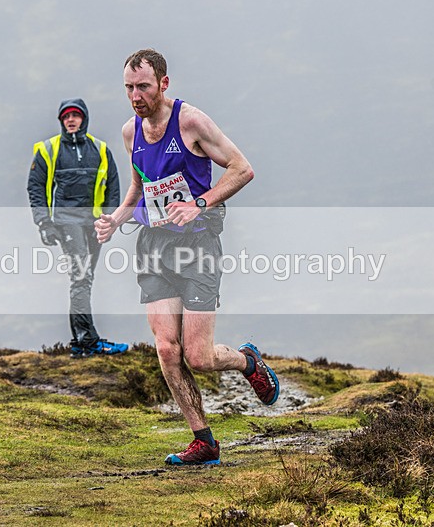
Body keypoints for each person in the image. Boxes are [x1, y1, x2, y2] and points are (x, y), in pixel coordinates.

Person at [95, 49, 280, 465]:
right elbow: (140, 188)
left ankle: (247, 361)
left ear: (163, 83)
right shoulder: (130, 132)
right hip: (153, 247)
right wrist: (115, 220)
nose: (136, 96)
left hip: (198, 246)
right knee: (167, 349)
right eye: (128, 88)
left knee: (199, 356)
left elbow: (242, 168)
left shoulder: (190, 122)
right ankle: (204, 441)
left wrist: (200, 203)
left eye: (143, 86)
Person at [28, 98, 128, 357]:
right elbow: (36, 187)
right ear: (61, 121)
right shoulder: (49, 149)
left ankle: (83, 341)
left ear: (84, 118)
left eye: (75, 115)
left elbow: (113, 186)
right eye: (66, 116)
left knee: (85, 278)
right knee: (81, 277)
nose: (70, 120)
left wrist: (109, 220)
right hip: (66, 222)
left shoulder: (101, 149)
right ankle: (86, 342)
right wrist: (44, 223)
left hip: (93, 223)